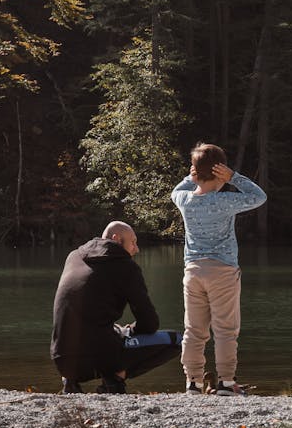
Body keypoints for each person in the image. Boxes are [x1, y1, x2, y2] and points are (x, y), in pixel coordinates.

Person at [171, 143, 267, 396]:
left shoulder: (185, 200)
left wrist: (190, 177)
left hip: (193, 271)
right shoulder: (224, 201)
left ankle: (193, 382)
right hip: (222, 271)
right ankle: (225, 381)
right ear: (220, 172)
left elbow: (175, 191)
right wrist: (234, 177)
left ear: (195, 173)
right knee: (225, 330)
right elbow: (259, 197)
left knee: (194, 330)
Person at [51, 220, 180, 393]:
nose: (136, 249)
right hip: (100, 359)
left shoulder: (74, 257)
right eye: (133, 242)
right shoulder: (126, 267)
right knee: (178, 340)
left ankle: (71, 382)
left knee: (96, 331)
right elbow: (150, 323)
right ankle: (116, 379)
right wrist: (131, 330)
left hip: (62, 360)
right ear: (116, 239)